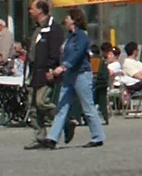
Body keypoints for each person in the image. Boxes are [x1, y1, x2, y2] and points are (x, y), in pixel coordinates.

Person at [30, 8, 104, 149]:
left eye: (68, 18)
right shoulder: (69, 36)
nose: (65, 20)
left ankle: (97, 136)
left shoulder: (82, 35)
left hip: (81, 74)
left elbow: (77, 54)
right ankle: (53, 138)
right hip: (69, 75)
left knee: (87, 106)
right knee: (62, 106)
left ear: (74, 20)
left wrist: (63, 67)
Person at [26, 0, 63, 134]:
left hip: (46, 71)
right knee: (33, 107)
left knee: (41, 102)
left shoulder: (53, 28)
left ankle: (64, 119)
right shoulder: (36, 28)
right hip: (34, 71)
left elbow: (55, 51)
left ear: (40, 11)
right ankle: (40, 136)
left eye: (32, 9)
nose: (29, 12)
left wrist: (51, 70)